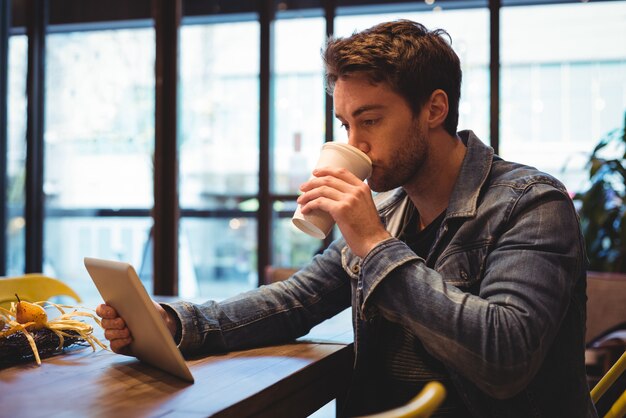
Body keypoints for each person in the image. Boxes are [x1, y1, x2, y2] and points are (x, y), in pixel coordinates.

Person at [97, 20, 596, 417]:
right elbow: (296, 301)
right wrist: (178, 324)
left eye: (371, 121)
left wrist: (376, 245)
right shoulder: (393, 209)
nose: (353, 144)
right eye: (345, 123)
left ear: (434, 109)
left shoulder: (530, 203)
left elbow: (504, 358)